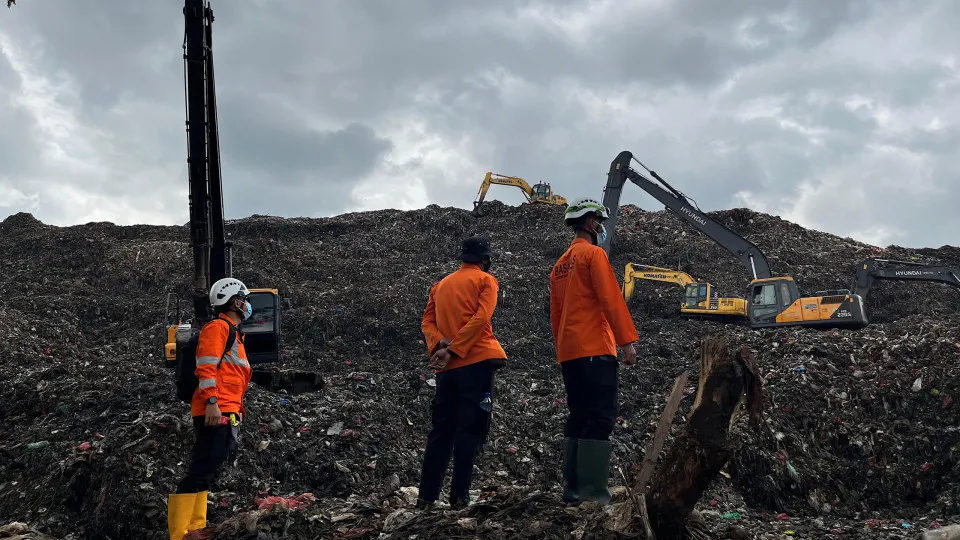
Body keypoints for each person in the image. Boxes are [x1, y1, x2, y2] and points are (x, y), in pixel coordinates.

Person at [549, 197, 639, 505]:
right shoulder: (593, 255)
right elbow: (611, 300)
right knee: (599, 418)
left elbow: (556, 314)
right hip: (596, 350)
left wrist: (563, 347)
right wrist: (626, 342)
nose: (601, 227)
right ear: (591, 223)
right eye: (599, 222)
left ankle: (572, 490)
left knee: (578, 417)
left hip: (570, 352)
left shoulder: (560, 265)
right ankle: (592, 494)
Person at [416, 235, 507, 509]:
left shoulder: (440, 285)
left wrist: (440, 343)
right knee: (470, 430)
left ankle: (425, 498)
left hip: (447, 369)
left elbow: (427, 321)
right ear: (485, 260)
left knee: (441, 431)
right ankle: (459, 497)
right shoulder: (485, 281)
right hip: (476, 362)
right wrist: (455, 348)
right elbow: (481, 318)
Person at [167, 278, 254, 540]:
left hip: (226, 410)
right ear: (235, 302)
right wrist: (213, 404)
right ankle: (180, 533)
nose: (248, 304)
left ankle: (194, 529)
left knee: (208, 469)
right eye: (244, 299)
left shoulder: (235, 334)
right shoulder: (218, 328)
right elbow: (206, 367)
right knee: (201, 469)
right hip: (215, 410)